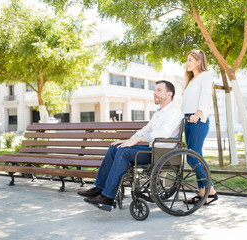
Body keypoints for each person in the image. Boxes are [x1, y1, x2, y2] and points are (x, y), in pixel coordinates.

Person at [78, 80, 183, 211]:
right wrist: (129, 140)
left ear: (169, 94)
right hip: (153, 150)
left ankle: (108, 198)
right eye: (155, 90)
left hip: (163, 153)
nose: (154, 92)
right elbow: (145, 129)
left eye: (159, 90)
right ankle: (99, 188)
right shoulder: (159, 113)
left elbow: (164, 132)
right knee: (115, 148)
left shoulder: (175, 112)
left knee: (123, 152)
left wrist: (138, 140)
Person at [182, 49, 218, 205]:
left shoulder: (205, 76)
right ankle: (203, 192)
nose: (187, 63)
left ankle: (210, 190)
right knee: (197, 157)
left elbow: (205, 95)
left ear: (198, 62)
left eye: (191, 60)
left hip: (198, 120)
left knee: (192, 157)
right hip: (188, 119)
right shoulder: (191, 80)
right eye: (187, 60)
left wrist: (198, 112)